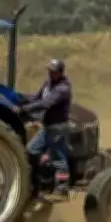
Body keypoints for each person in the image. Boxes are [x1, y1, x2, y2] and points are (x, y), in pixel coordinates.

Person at [15, 58, 72, 197]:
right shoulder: (47, 84)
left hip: (57, 128)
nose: (50, 74)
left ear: (60, 73)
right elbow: (36, 98)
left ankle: (62, 188)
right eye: (49, 71)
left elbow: (46, 103)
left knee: (58, 156)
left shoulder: (63, 89)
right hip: (47, 127)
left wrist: (24, 109)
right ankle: (40, 179)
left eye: (53, 72)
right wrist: (20, 97)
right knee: (31, 150)